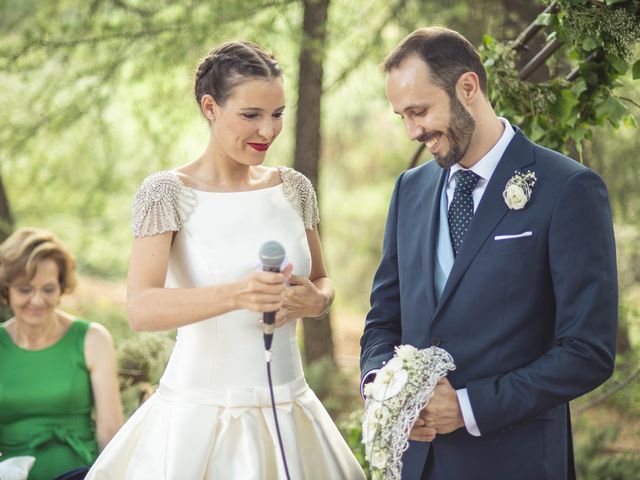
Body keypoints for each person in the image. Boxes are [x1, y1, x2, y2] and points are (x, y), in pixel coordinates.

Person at [86, 41, 365, 479]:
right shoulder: (166, 192)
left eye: (277, 114)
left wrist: (318, 301)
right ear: (211, 107)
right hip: (201, 416)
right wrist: (239, 293)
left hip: (291, 408)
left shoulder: (294, 187)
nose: (268, 132)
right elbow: (142, 309)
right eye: (251, 115)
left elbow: (323, 279)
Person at [360, 27, 618, 480]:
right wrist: (383, 386)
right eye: (402, 116)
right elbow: (384, 319)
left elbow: (587, 351)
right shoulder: (409, 191)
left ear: (467, 88)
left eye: (419, 112)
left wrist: (467, 406)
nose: (412, 131)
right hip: (418, 465)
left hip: (516, 462)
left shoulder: (568, 189)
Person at [0, 227, 124, 480]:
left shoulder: (92, 339)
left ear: (61, 288)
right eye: (25, 289)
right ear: (7, 289)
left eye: (48, 289)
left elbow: (110, 432)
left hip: (79, 473)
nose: (37, 301)